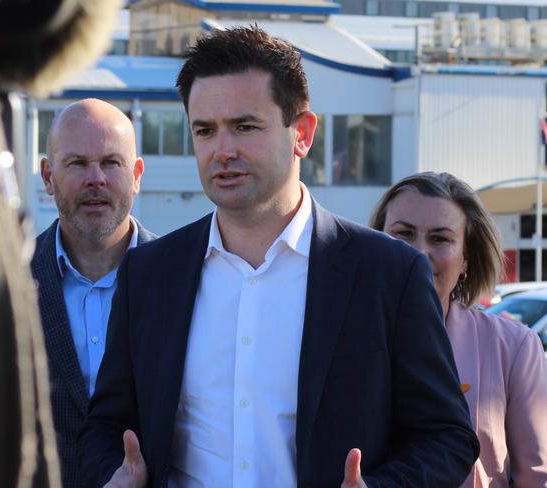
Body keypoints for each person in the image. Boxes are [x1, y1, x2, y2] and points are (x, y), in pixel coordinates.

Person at [80, 26, 479, 487]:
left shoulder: (388, 274)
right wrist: (114, 477)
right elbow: (105, 427)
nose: (223, 150)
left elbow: (447, 436)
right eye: (205, 130)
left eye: (245, 126)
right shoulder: (150, 273)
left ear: (302, 134)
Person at [370, 171, 547, 488]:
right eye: (403, 234)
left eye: (440, 238)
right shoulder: (342, 338)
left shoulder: (514, 348)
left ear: (466, 258)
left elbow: (536, 477)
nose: (418, 252)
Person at [31, 98, 156, 487]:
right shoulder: (7, 285)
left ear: (136, 174)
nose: (96, 179)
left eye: (111, 163)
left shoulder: (185, 282)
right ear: (48, 176)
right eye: (78, 163)